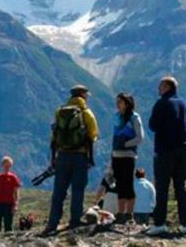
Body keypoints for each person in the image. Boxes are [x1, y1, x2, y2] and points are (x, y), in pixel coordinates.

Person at [41, 84, 99, 236]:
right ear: (82, 95)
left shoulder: (59, 111)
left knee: (59, 190)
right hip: (80, 156)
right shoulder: (86, 113)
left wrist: (54, 157)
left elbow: (54, 136)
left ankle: (52, 223)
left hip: (62, 156)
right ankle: (75, 221)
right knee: (77, 189)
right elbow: (93, 134)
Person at [146, 76, 186, 236]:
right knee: (180, 187)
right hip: (184, 150)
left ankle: (160, 223)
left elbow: (153, 125)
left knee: (162, 186)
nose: (158, 89)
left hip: (165, 150)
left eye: (161, 86)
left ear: (167, 87)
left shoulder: (161, 103)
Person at [111, 92, 144, 225]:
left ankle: (129, 214)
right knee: (120, 185)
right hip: (116, 154)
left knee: (128, 184)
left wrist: (125, 144)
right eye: (117, 102)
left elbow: (140, 137)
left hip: (128, 155)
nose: (117, 104)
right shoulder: (117, 117)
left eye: (120, 102)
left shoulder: (134, 118)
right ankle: (120, 213)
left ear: (127, 103)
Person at [0, 156, 21, 233]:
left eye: (9, 166)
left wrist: (15, 205)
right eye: (6, 165)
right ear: (2, 165)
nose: (7, 168)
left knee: (8, 227)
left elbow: (16, 192)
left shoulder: (13, 177)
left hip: (8, 205)